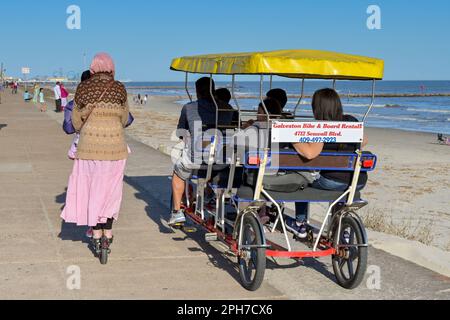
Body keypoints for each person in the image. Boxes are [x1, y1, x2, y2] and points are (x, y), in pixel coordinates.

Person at [61, 53, 130, 255]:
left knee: (92, 189)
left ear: (92, 68)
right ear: (111, 67)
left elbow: (75, 122)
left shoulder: (84, 88)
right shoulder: (119, 88)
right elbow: (125, 119)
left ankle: (96, 233)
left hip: (89, 148)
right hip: (115, 148)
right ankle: (108, 232)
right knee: (111, 191)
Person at [288, 88, 368, 237]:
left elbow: (310, 153)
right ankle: (340, 229)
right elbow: (364, 141)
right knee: (337, 187)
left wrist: (293, 138)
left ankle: (300, 223)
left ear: (317, 108)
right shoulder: (351, 120)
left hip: (333, 182)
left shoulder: (322, 126)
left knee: (302, 180)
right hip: (358, 181)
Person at [169, 77, 233, 226]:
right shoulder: (227, 109)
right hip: (221, 160)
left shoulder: (189, 108)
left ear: (197, 91)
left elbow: (181, 132)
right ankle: (208, 194)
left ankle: (177, 212)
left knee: (178, 173)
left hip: (197, 159)